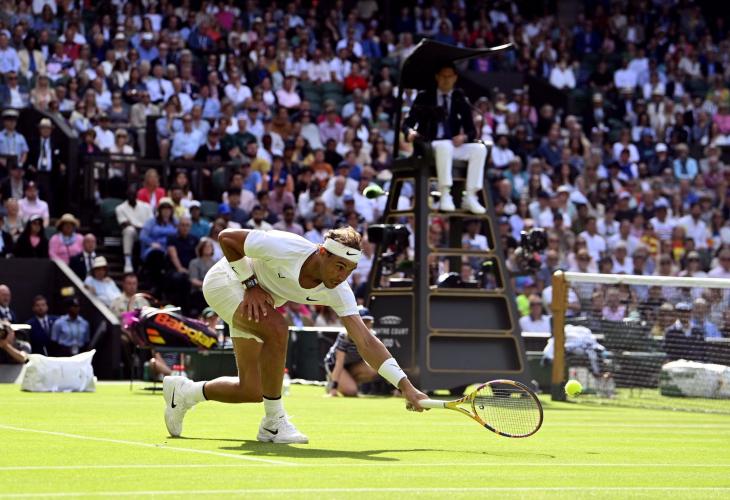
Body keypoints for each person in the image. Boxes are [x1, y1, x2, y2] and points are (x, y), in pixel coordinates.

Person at [162, 226, 427, 443]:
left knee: (253, 389)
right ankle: (273, 423)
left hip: (259, 304)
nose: (342, 276)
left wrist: (406, 387)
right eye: (339, 266)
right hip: (226, 283)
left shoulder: (339, 290)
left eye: (349, 270)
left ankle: (184, 393)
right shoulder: (285, 246)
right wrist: (250, 284)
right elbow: (227, 237)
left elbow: (366, 340)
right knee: (278, 329)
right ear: (322, 252)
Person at [402, 63, 487, 214]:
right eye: (443, 76)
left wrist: (464, 137)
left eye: (449, 76)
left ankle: (470, 196)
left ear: (455, 78)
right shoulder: (424, 96)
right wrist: (410, 133)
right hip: (430, 145)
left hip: (453, 145)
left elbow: (471, 131)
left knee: (479, 149)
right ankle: (445, 193)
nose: (446, 80)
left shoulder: (460, 98)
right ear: (437, 77)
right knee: (445, 145)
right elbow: (407, 123)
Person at [323, 306, 380, 397]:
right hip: (334, 364)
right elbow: (339, 363)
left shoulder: (373, 336)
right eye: (363, 321)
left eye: (368, 321)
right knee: (351, 391)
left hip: (353, 364)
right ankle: (332, 382)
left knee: (374, 370)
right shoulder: (344, 336)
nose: (366, 325)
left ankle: (347, 382)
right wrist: (334, 389)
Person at [115, 185, 153, 273]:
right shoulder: (120, 208)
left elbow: (151, 223)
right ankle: (128, 261)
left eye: (133, 193)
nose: (131, 196)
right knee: (129, 230)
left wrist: (142, 229)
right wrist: (139, 227)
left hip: (147, 233)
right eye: (129, 194)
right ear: (126, 194)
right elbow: (124, 224)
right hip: (134, 233)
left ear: (137, 194)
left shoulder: (146, 206)